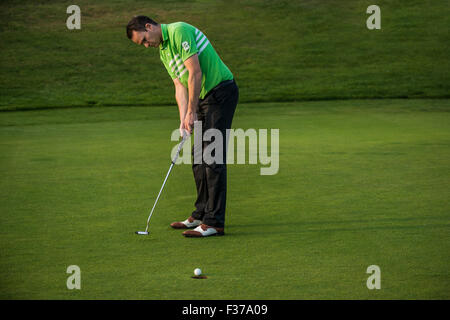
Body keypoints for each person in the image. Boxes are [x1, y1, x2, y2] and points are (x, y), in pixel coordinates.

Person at [126, 16, 239, 237]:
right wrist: (183, 119)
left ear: (148, 27)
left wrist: (191, 111)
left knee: (212, 158)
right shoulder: (163, 52)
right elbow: (180, 85)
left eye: (144, 40)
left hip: (221, 92)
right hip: (202, 98)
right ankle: (201, 214)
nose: (147, 45)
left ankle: (214, 222)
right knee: (198, 159)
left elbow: (195, 72)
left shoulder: (179, 32)